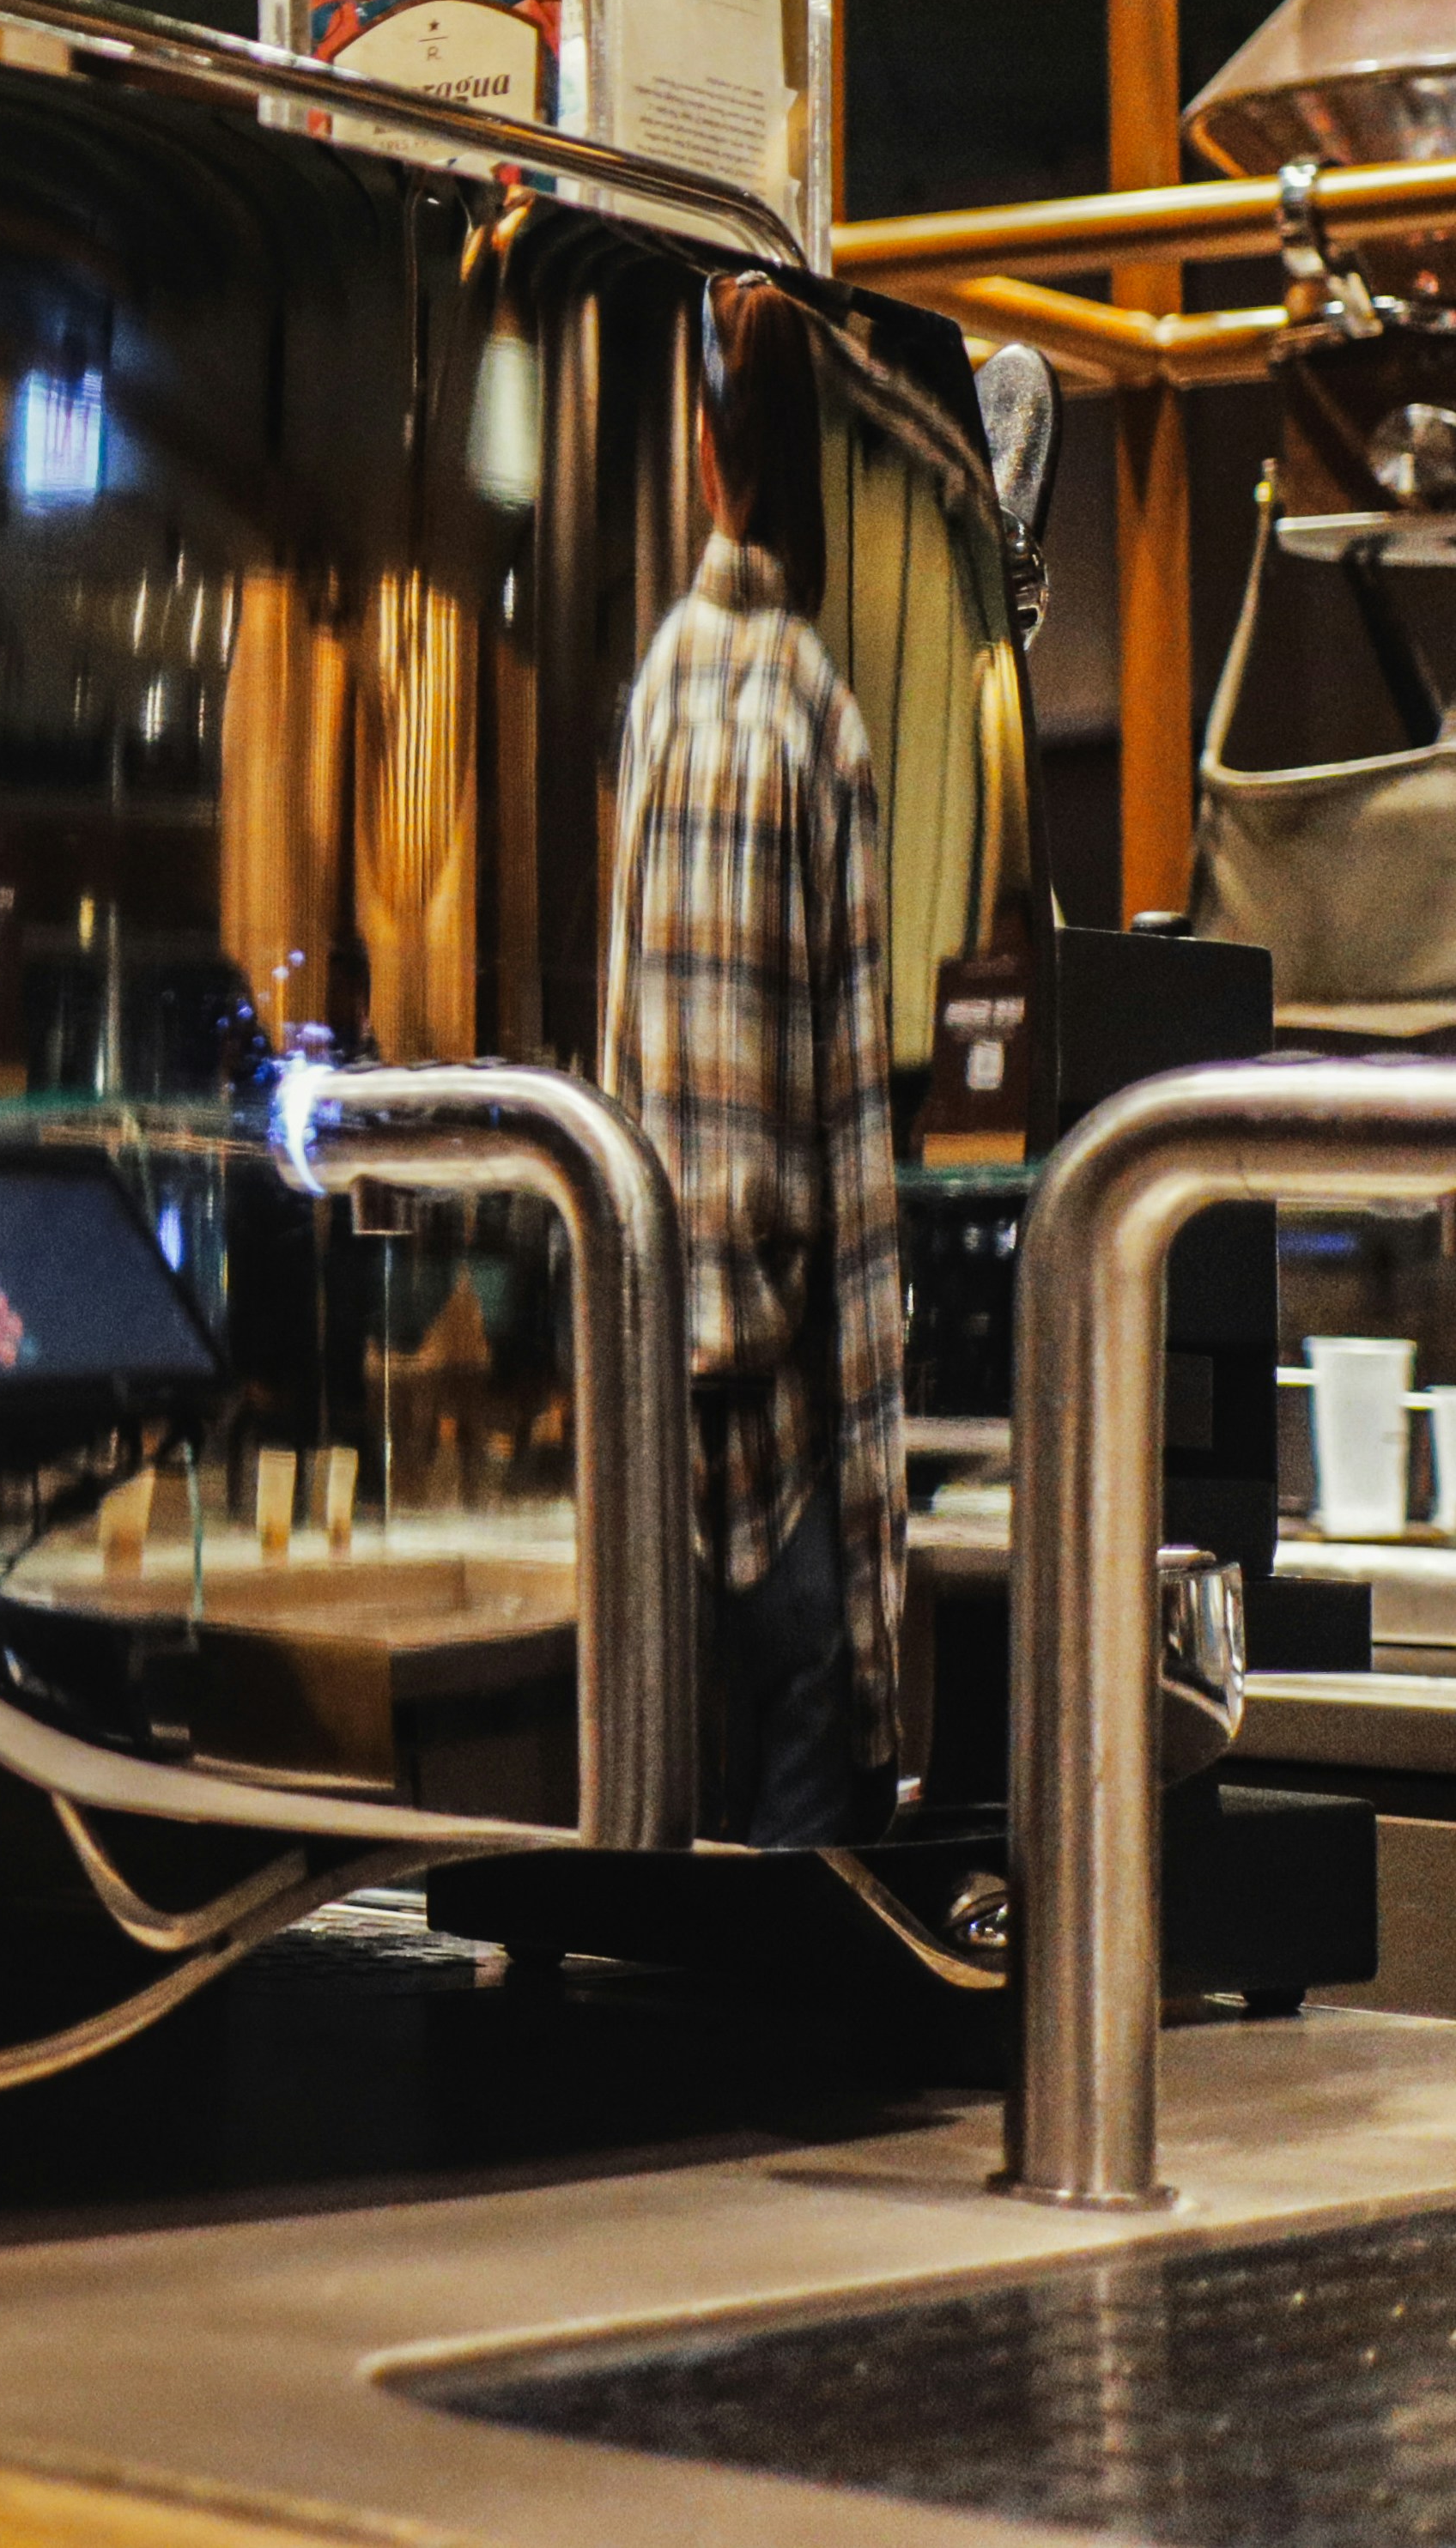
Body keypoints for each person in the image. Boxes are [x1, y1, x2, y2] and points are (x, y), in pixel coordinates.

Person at [598, 276, 904, 1844]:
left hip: (657, 1387)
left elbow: (623, 1054)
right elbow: (847, 1151)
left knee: (655, 1911)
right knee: (790, 1920)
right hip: (783, 1418)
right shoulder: (813, 714)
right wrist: (879, 1602)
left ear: (707, 461)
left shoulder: (661, 690)